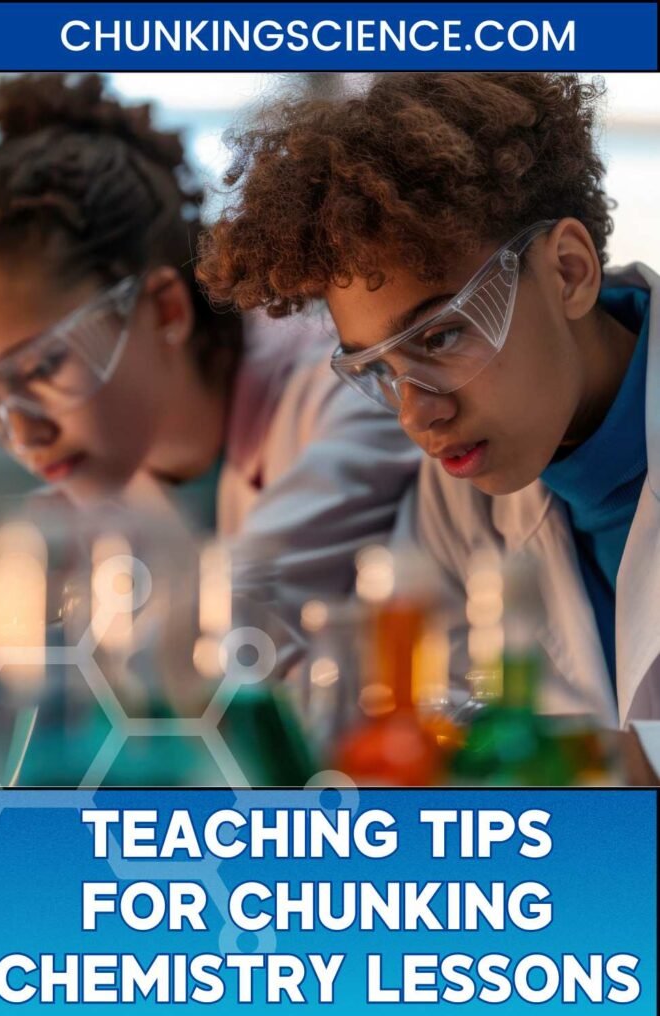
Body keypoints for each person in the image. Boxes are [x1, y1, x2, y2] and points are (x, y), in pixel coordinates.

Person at [198, 71, 660, 727]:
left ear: (567, 272)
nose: (417, 415)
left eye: (441, 336)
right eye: (378, 369)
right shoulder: (460, 502)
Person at [0, 73, 420, 665]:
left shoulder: (350, 397)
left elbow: (221, 635)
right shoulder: (105, 486)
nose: (25, 435)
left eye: (44, 367)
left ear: (165, 309)